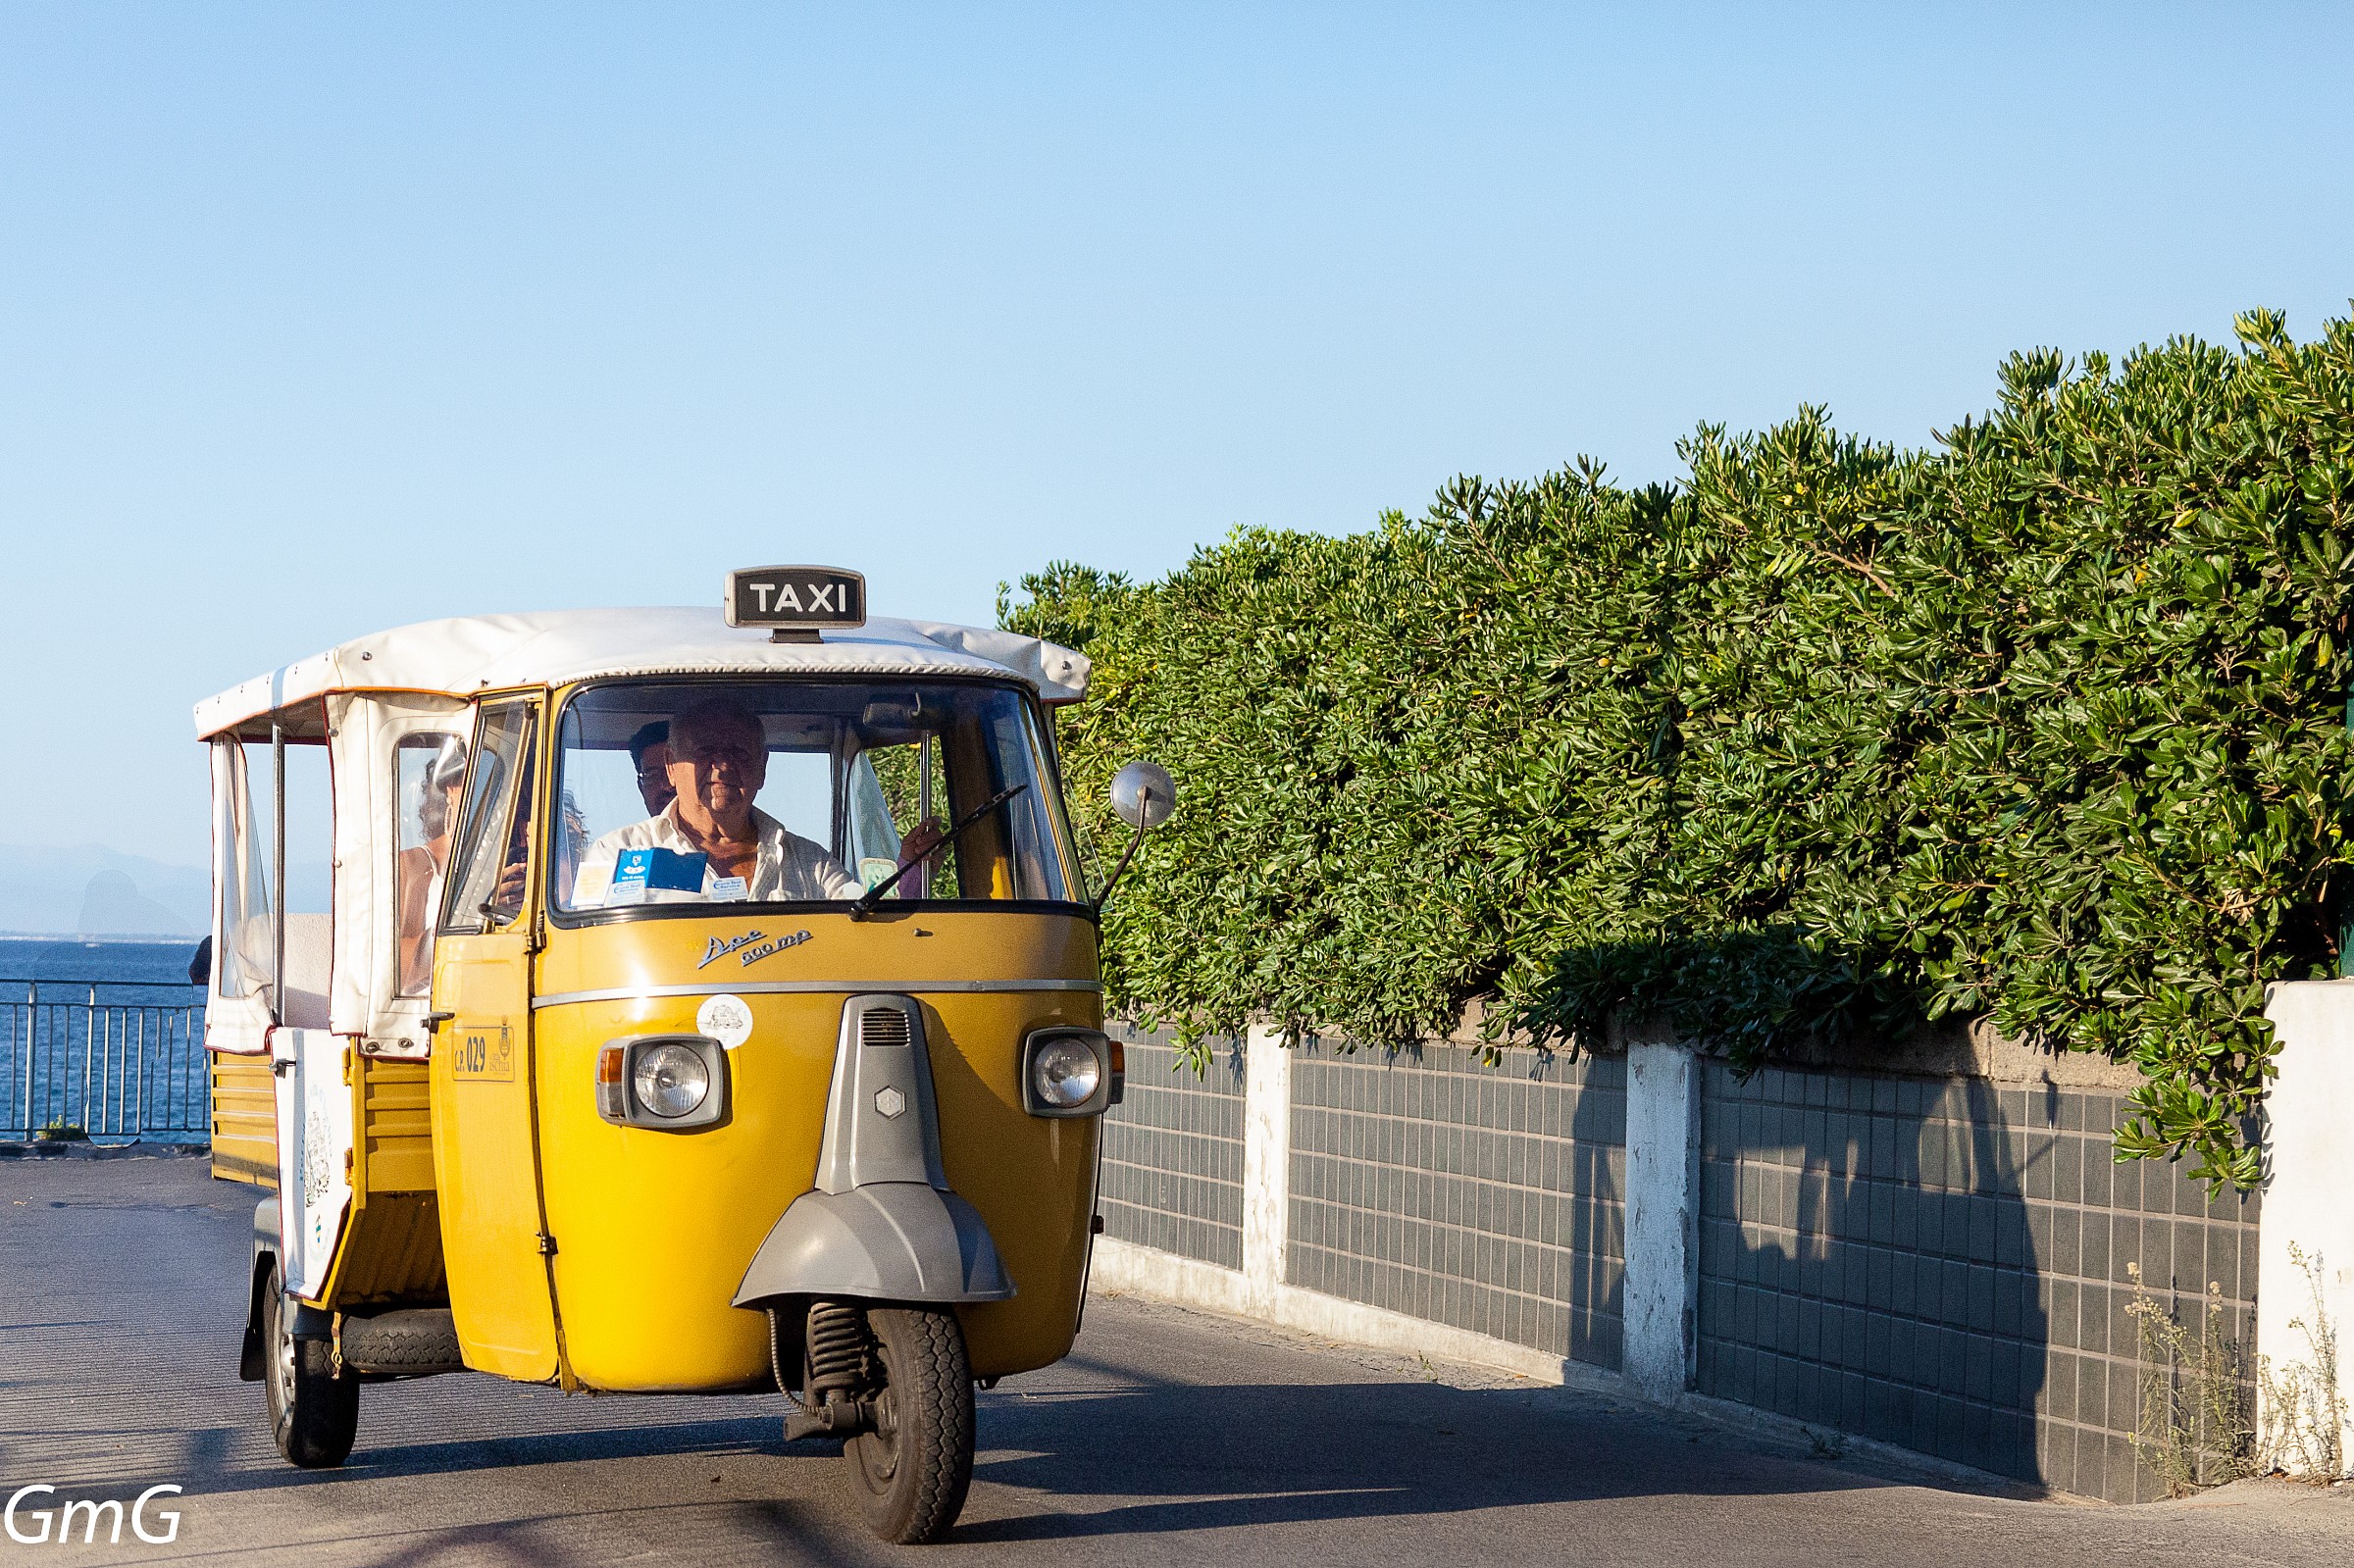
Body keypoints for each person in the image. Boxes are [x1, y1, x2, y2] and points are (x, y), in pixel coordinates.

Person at [571, 696, 940, 907]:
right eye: (705, 752)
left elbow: (870, 928)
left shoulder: (810, 864)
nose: (723, 765)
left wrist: (912, 871)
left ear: (762, 768)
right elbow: (584, 953)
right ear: (670, 765)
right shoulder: (615, 854)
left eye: (738, 752)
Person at [396, 736, 467, 991]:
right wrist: (465, 927)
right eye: (471, 779)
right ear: (450, 789)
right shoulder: (414, 865)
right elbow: (398, 970)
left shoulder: (513, 860)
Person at [628, 720, 674, 815]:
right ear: (641, 788)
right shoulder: (632, 830)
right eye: (652, 775)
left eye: (673, 771)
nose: (666, 785)